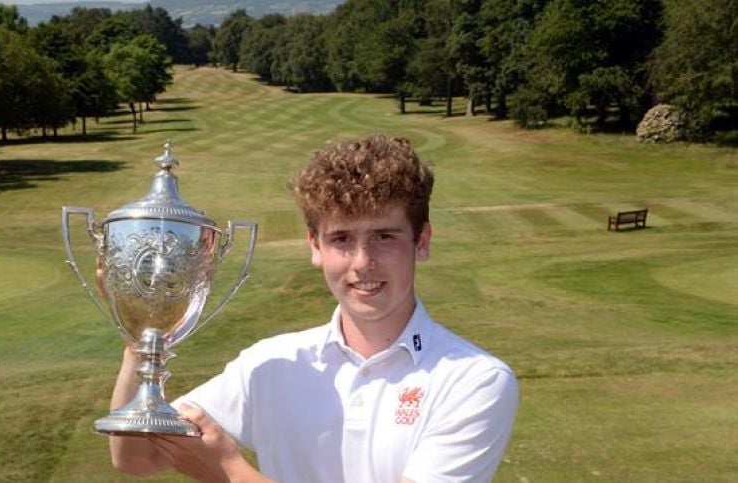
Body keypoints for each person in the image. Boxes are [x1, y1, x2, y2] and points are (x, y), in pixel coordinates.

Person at [107, 134, 519, 482]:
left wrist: (229, 471)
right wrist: (141, 333)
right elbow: (136, 457)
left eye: (384, 237)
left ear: (422, 241)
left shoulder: (474, 380)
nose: (362, 262)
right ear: (315, 247)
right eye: (341, 239)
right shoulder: (270, 362)